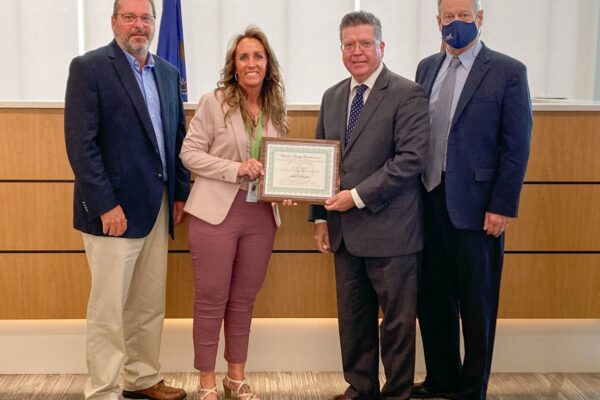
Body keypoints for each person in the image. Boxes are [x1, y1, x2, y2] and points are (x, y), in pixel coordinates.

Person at [64, 0, 190, 399]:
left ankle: (142, 378)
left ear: (154, 24)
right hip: (112, 214)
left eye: (145, 17)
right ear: (114, 21)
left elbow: (177, 138)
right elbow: (81, 146)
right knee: (109, 311)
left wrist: (180, 194)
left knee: (148, 305)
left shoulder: (168, 73)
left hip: (158, 207)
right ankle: (102, 390)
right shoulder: (89, 68)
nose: (139, 25)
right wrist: (104, 204)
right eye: (129, 17)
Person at [412, 1, 532, 399]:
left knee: (477, 306)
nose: (457, 23)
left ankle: (470, 389)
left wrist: (502, 204)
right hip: (428, 201)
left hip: (479, 208)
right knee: (432, 300)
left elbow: (516, 147)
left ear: (480, 19)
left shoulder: (508, 72)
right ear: (438, 22)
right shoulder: (426, 68)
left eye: (466, 16)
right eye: (450, 17)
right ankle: (441, 379)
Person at [308, 11, 430, 400]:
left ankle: (397, 393)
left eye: (364, 43)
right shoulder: (332, 96)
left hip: (391, 229)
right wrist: (319, 218)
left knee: (396, 323)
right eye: (349, 44)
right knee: (353, 319)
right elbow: (321, 162)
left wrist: (356, 196)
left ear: (382, 45)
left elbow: (410, 160)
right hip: (343, 231)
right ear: (341, 48)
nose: (357, 52)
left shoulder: (407, 93)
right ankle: (360, 388)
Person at [180, 26, 292, 400]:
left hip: (260, 216)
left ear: (267, 64)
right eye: (243, 57)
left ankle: (236, 377)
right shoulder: (213, 102)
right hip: (215, 214)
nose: (251, 63)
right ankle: (207, 381)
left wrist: (287, 189)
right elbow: (189, 153)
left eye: (257, 56)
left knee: (244, 299)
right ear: (233, 65)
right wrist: (235, 169)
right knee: (211, 297)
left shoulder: (277, 106)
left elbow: (280, 161)